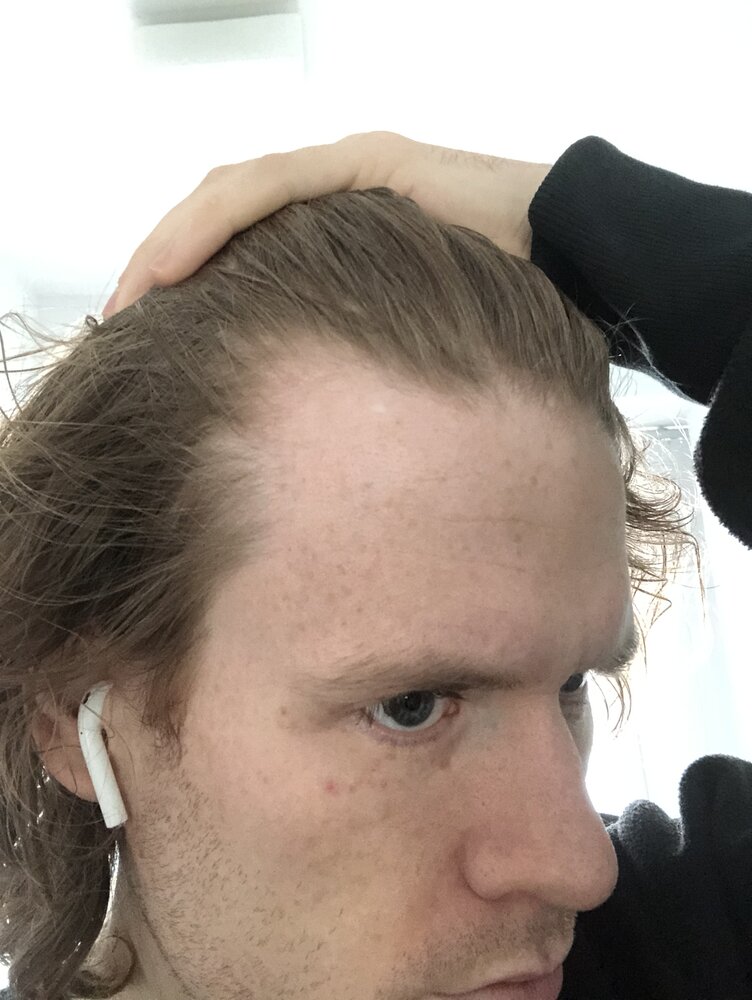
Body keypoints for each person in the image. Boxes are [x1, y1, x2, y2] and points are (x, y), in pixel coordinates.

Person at [0, 133, 749, 1000]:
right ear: (76, 723)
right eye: (410, 706)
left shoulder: (682, 949)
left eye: (574, 682)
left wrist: (596, 228)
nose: (579, 869)